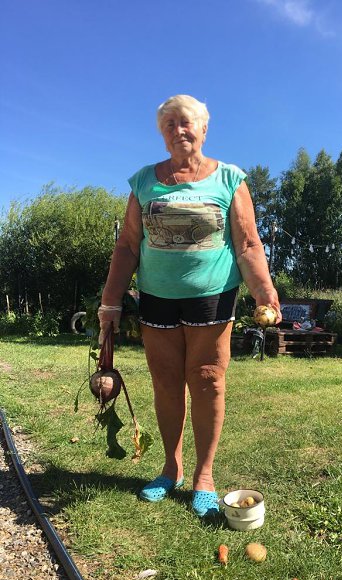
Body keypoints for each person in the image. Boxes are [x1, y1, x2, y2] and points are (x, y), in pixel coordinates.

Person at [98, 94, 281, 517]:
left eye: (186, 122)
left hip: (212, 297)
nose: (178, 130)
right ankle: (171, 468)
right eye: (169, 124)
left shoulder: (230, 179)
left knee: (208, 380)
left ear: (203, 128)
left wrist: (264, 290)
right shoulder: (144, 181)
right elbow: (128, 246)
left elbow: (247, 244)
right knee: (165, 381)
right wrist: (110, 301)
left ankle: (204, 476)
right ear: (161, 134)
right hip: (157, 298)